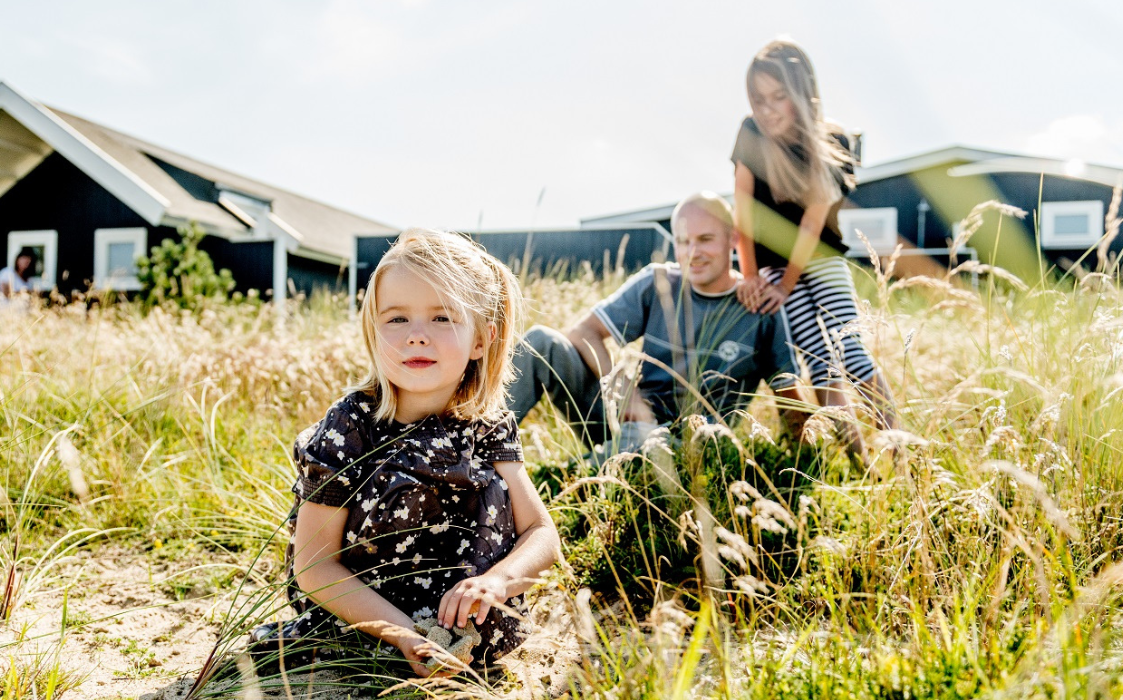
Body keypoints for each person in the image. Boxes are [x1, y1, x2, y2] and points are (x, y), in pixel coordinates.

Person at [249, 228, 560, 681]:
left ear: (480, 340)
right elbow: (314, 568)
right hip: (365, 620)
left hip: (470, 630)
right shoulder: (352, 424)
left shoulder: (489, 425)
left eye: (442, 318)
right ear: (374, 333)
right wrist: (404, 634)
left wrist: (498, 581)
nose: (416, 336)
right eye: (396, 319)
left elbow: (541, 532)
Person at [508, 192, 802, 450]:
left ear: (733, 239)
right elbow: (584, 332)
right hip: (627, 418)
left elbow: (789, 397)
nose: (693, 253)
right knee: (540, 343)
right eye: (684, 242)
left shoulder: (761, 308)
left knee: (657, 447)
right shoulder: (658, 282)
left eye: (705, 239)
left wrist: (802, 461)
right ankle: (473, 454)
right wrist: (625, 394)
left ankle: (585, 474)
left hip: (691, 441)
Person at [730, 39, 899, 451]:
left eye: (778, 97)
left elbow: (811, 224)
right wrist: (751, 277)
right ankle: (859, 460)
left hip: (819, 258)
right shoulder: (751, 132)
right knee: (820, 365)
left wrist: (789, 284)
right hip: (769, 266)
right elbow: (743, 213)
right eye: (758, 99)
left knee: (851, 354)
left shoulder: (834, 142)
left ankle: (899, 454)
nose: (767, 109)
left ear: (802, 94)